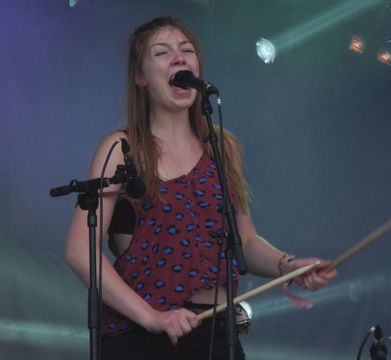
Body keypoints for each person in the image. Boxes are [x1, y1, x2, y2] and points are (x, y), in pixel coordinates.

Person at [64, 16, 337, 359]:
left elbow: (246, 241)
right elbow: (80, 250)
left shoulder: (223, 149)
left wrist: (290, 265)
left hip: (215, 332)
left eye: (187, 50)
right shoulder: (123, 149)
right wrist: (151, 317)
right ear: (140, 77)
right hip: (140, 337)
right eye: (162, 53)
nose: (179, 58)